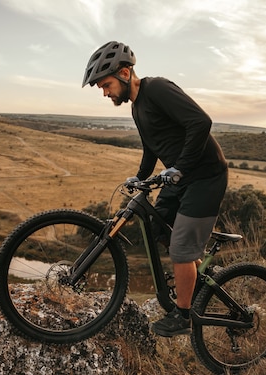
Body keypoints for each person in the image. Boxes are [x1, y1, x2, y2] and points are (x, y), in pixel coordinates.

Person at [82, 41, 228, 337]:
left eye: (106, 84)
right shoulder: (137, 108)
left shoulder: (157, 88)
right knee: (157, 227)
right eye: (101, 87)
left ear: (125, 72)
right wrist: (139, 177)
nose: (105, 92)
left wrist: (180, 168)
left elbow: (201, 122)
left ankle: (183, 316)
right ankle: (195, 277)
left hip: (204, 177)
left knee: (181, 248)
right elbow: (152, 148)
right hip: (178, 178)